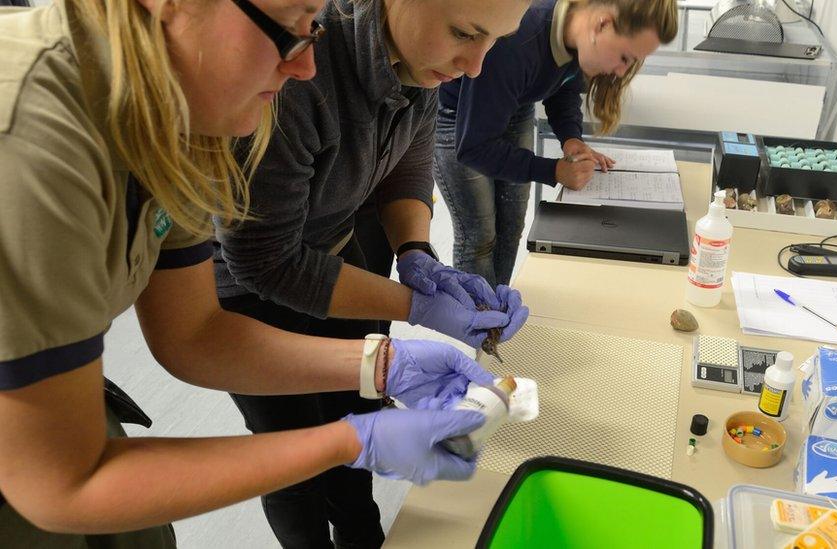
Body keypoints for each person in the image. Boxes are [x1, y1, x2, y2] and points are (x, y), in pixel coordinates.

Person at [0, 0, 500, 546]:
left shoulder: (187, 110)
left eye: (312, 27)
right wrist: (347, 442)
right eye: (289, 29)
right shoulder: (35, 148)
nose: (307, 67)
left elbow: (193, 333)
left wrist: (385, 365)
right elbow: (64, 486)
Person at [212, 0, 532, 546]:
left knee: (354, 417)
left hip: (330, 256)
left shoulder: (417, 59)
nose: (475, 66)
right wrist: (414, 308)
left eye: (494, 41)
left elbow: (408, 161)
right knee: (290, 458)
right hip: (250, 294)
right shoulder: (295, 78)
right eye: (464, 33)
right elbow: (264, 263)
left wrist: (414, 250)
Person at [434, 0, 679, 286]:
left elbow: (565, 87)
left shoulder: (579, 39)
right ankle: (476, 323)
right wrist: (553, 171)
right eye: (625, 57)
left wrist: (571, 138)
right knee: (479, 236)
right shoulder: (518, 41)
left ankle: (497, 310)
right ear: (602, 23)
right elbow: (474, 146)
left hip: (515, 105)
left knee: (512, 226)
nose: (622, 72)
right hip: (461, 118)